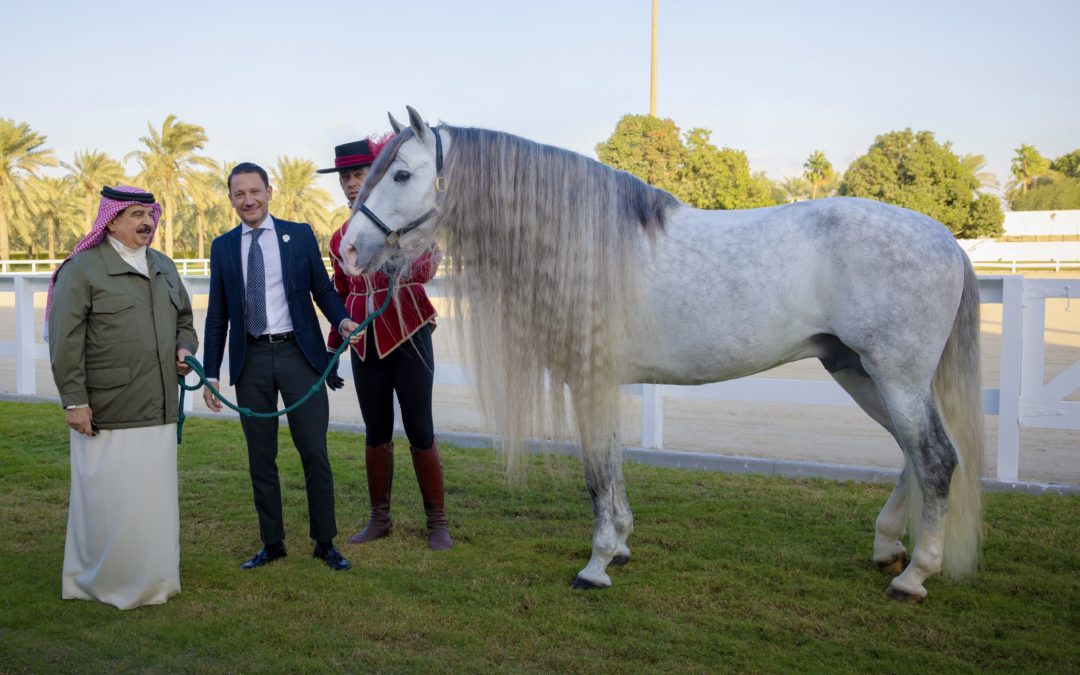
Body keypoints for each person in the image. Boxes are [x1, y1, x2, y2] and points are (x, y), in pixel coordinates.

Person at [202, 162, 360, 571]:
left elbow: (322, 289)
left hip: (298, 355)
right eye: (239, 194)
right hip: (250, 360)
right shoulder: (222, 248)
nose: (248, 200)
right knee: (261, 457)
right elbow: (217, 315)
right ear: (231, 199)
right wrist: (212, 373)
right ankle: (272, 544)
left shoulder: (299, 235)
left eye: (255, 191)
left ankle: (325, 543)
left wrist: (341, 319)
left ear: (269, 192)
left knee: (314, 451)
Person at [46, 185, 198, 610]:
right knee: (109, 502)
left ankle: (154, 581)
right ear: (110, 220)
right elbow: (65, 341)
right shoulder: (82, 269)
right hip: (107, 410)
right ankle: (99, 581)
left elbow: (184, 320)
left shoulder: (164, 266)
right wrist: (75, 401)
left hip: (161, 406)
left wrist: (185, 348)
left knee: (153, 501)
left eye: (149, 214)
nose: (146, 222)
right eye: (135, 214)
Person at [319, 138, 451, 550]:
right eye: (346, 178)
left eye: (359, 175)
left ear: (375, 176)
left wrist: (402, 254)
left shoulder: (408, 223)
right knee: (375, 430)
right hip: (364, 340)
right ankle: (380, 519)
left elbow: (428, 268)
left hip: (408, 330)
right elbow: (339, 290)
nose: (352, 184)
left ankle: (437, 522)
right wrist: (335, 342)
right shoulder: (341, 236)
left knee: (420, 428)